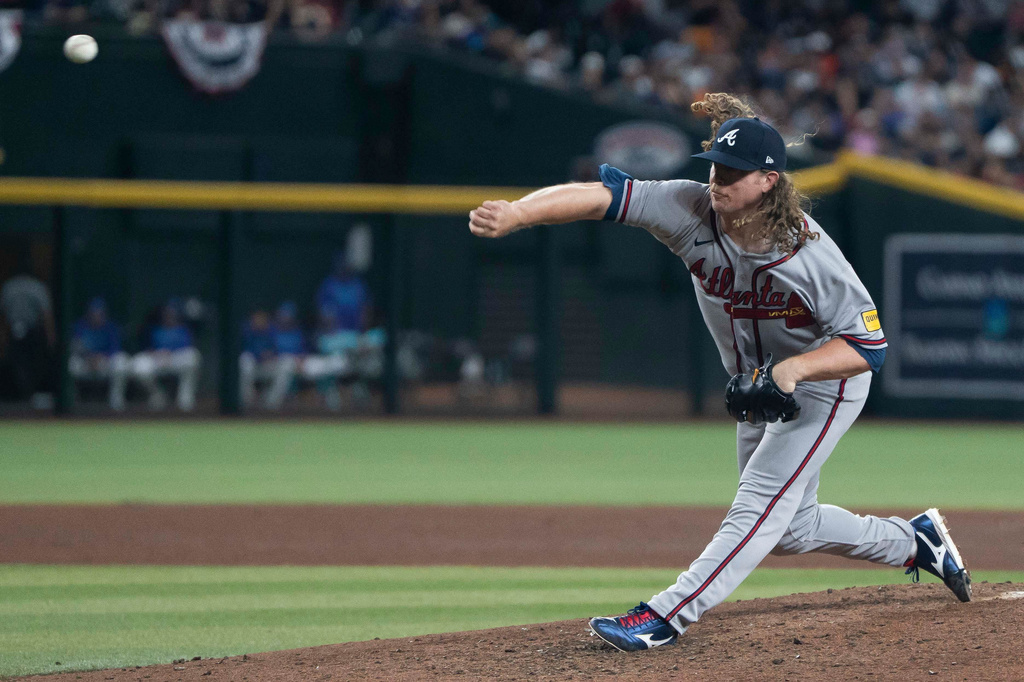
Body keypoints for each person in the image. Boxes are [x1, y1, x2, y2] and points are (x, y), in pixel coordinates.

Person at [468, 92, 972, 652]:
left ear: (769, 181)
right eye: (715, 167)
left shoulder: (808, 254)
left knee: (757, 504)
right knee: (791, 529)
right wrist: (519, 212)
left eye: (734, 173)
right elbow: (601, 197)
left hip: (827, 381)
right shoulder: (688, 209)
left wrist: (795, 370)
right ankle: (913, 542)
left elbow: (869, 344)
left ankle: (665, 616)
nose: (719, 181)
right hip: (758, 387)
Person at [132, 299, 201, 411]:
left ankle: (185, 397)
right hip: (157, 359)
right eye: (167, 313)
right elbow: (145, 348)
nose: (169, 315)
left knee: (193, 356)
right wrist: (157, 354)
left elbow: (188, 348)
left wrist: (170, 353)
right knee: (138, 365)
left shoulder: (183, 329)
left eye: (172, 313)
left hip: (175, 359)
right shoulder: (153, 329)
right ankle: (157, 394)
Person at [0, 268, 55, 406]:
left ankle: (27, 397)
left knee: (28, 367)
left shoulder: (9, 286)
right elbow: (46, 316)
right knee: (20, 368)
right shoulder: (37, 287)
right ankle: (20, 397)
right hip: (24, 335)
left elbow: (4, 319)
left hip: (27, 335)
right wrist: (51, 339)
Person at [69, 297, 130, 411]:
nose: (96, 316)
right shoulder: (80, 327)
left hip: (104, 362)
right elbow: (75, 347)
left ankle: (116, 402)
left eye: (99, 313)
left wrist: (102, 358)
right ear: (88, 313)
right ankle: (71, 400)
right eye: (93, 313)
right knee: (71, 363)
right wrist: (89, 358)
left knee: (121, 361)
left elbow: (115, 349)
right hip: (86, 363)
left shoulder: (111, 328)